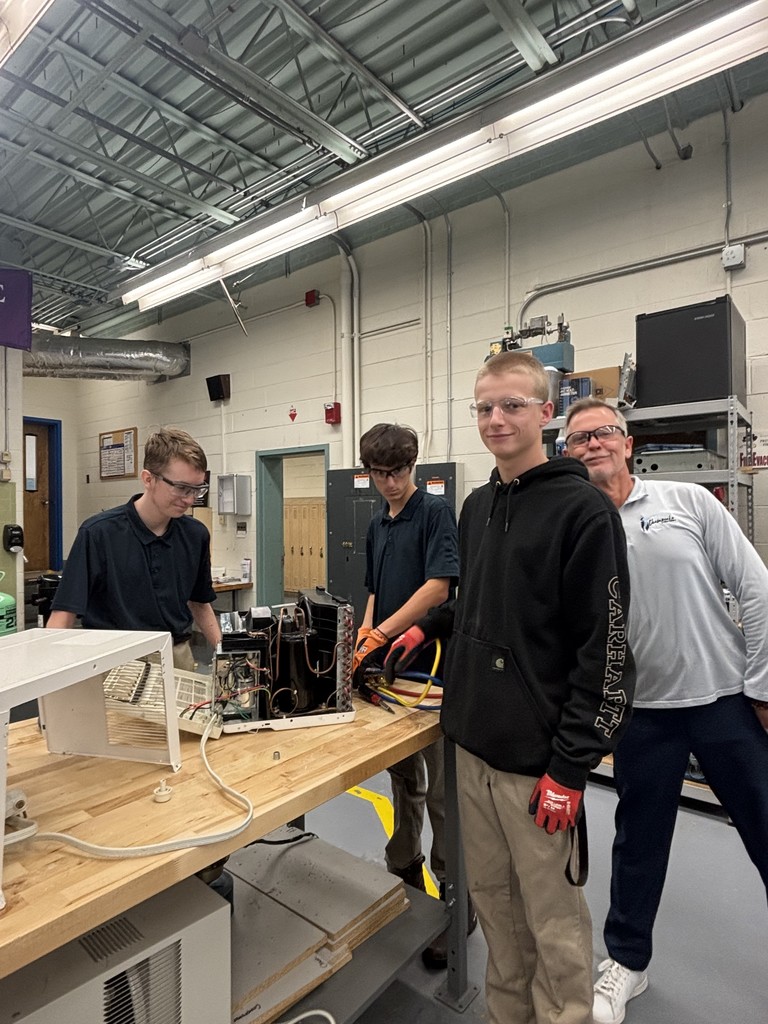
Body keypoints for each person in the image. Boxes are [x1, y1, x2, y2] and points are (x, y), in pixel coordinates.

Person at [385, 352, 635, 1024]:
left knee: (550, 919)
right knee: (494, 909)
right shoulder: (476, 504)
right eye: (484, 407)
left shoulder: (582, 511)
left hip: (538, 766)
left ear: (546, 412)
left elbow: (606, 653)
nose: (496, 419)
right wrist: (429, 626)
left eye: (513, 405)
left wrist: (572, 766)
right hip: (470, 746)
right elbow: (481, 603)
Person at [564, 397, 768, 1024]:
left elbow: (756, 589)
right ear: (566, 455)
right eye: (577, 439)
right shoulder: (576, 525)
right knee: (639, 842)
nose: (592, 444)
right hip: (641, 714)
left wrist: (761, 687)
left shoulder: (689, 503)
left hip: (724, 700)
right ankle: (627, 962)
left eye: (603, 434)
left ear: (627, 444)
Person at [352, 421, 475, 969]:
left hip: (432, 671)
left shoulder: (434, 513)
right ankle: (404, 872)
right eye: (379, 474)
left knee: (444, 790)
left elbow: (438, 586)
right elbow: (376, 588)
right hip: (389, 675)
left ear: (414, 466)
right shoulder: (378, 522)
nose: (390, 483)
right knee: (403, 781)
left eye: (398, 472)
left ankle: (457, 899)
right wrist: (366, 635)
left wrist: (386, 634)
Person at [48, 426, 221, 668]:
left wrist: (226, 654)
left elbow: (200, 602)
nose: (190, 499)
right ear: (148, 479)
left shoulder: (196, 534)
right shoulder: (98, 533)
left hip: (176, 655)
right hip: (114, 660)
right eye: (182, 488)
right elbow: (63, 614)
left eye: (198, 489)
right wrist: (50, 680)